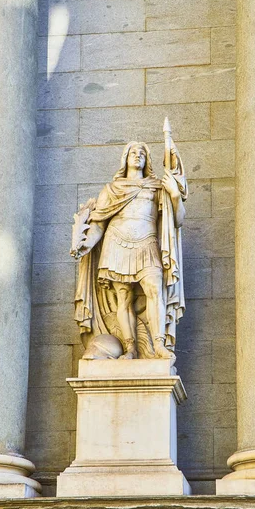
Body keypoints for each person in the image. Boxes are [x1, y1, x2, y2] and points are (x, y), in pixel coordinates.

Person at [72, 141, 188, 360]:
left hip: (147, 242)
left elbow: (178, 220)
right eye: (132, 153)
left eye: (142, 153)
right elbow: (99, 224)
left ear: (148, 160)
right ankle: (131, 349)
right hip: (117, 243)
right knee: (123, 298)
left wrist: (174, 194)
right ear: (124, 159)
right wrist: (84, 245)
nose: (137, 156)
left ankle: (159, 345)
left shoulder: (157, 187)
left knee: (155, 289)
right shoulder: (112, 189)